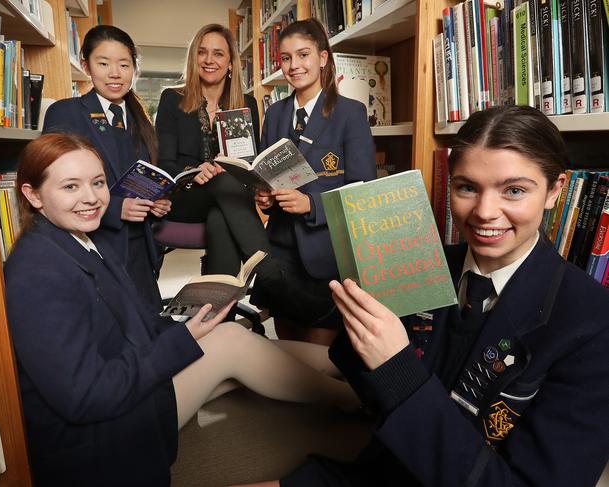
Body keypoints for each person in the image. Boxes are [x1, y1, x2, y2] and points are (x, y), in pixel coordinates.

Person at [239, 106, 609, 486]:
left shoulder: (592, 322)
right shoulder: (424, 265)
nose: (484, 212)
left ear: (555, 191)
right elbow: (369, 392)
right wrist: (360, 323)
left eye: (514, 191)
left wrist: (396, 367)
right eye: (467, 187)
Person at [5, 133, 360, 487]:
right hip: (105, 431)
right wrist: (183, 339)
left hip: (129, 388)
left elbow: (130, 324)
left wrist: (187, 319)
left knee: (231, 336)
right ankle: (356, 398)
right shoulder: (36, 272)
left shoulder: (79, 241)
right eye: (70, 187)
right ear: (32, 194)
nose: (91, 198)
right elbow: (86, 397)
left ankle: (357, 365)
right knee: (231, 342)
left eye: (98, 183)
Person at [251, 18, 377, 346]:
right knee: (287, 346)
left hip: (325, 248)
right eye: (286, 58)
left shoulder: (350, 113)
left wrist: (312, 203)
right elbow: (266, 171)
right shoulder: (275, 113)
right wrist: (263, 196)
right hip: (280, 245)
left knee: (318, 355)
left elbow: (363, 190)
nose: (294, 66)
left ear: (322, 58)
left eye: (303, 55)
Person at [42, 25, 168, 311]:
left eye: (124, 65)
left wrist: (156, 201)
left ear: (134, 69)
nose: (115, 73)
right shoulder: (67, 112)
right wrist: (115, 208)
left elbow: (141, 177)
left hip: (140, 245)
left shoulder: (140, 121)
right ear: (86, 65)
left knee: (148, 326)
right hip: (96, 242)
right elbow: (52, 186)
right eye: (104, 63)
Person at [154, 24, 276, 280]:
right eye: (202, 52)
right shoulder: (171, 99)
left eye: (218, 54)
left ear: (230, 63)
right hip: (184, 197)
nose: (209, 60)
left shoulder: (247, 104)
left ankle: (217, 311)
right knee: (222, 182)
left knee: (220, 218)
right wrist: (194, 172)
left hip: (228, 200)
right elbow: (165, 164)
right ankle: (269, 270)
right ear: (194, 58)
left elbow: (249, 163)